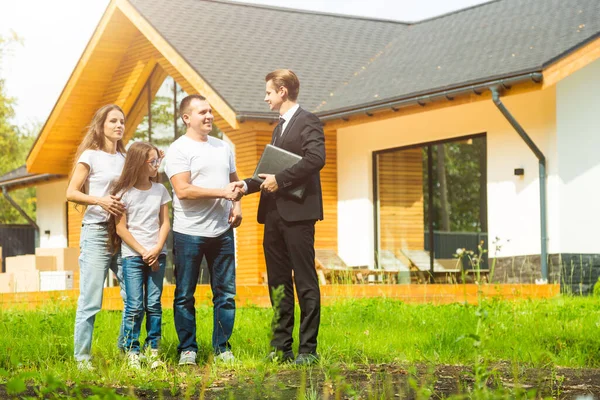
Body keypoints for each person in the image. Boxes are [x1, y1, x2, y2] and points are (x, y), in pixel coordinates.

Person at [243, 69, 326, 365]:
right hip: (274, 214)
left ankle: (307, 350)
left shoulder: (308, 121)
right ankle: (281, 347)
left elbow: (316, 159)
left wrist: (281, 180)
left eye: (268, 92)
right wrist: (244, 186)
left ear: (282, 91)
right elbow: (270, 169)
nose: (265, 98)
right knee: (277, 282)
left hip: (299, 215)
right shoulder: (278, 128)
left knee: (304, 281)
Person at [164, 94, 244, 366]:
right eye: (202, 112)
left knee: (225, 294)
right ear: (187, 118)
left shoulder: (223, 147)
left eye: (210, 111)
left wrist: (237, 206)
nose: (209, 116)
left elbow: (234, 183)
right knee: (185, 294)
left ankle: (222, 348)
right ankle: (188, 348)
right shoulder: (178, 149)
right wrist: (222, 193)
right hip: (189, 232)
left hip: (222, 231)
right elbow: (183, 191)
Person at [66, 104, 128, 370]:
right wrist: (99, 201)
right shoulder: (90, 156)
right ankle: (82, 358)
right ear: (101, 125)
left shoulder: (126, 158)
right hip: (97, 232)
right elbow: (71, 192)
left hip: (123, 234)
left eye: (122, 122)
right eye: (113, 121)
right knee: (91, 299)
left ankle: (128, 351)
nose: (118, 125)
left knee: (134, 296)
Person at [109, 141, 171, 369]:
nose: (157, 165)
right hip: (133, 257)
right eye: (152, 161)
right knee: (135, 305)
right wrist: (144, 251)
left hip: (158, 255)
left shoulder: (161, 190)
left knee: (154, 304)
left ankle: (153, 349)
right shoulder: (123, 193)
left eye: (158, 160)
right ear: (139, 163)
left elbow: (165, 224)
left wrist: (156, 249)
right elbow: (121, 228)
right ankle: (132, 350)